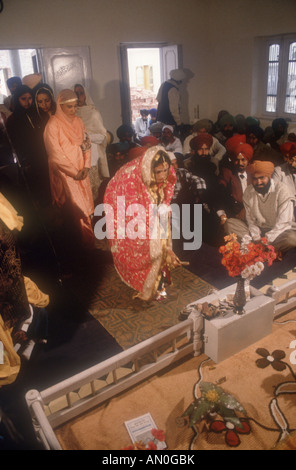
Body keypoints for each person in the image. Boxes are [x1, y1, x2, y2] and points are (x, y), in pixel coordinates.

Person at [104, 145, 180, 301]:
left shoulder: (167, 177)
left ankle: (160, 284)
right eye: (158, 172)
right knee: (152, 247)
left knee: (162, 244)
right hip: (130, 215)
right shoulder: (131, 183)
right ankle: (149, 287)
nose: (163, 175)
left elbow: (163, 206)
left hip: (152, 213)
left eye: (165, 170)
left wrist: (168, 247)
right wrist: (163, 247)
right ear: (150, 170)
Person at [43, 89, 95, 258]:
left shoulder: (79, 122)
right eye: (69, 107)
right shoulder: (53, 125)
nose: (73, 110)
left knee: (86, 210)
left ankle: (87, 247)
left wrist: (86, 166)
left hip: (82, 172)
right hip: (65, 174)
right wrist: (73, 172)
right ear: (60, 106)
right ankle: (76, 250)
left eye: (75, 107)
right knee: (74, 211)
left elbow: (87, 144)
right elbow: (55, 154)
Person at [227, 160, 296, 256]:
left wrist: (265, 241)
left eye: (261, 178)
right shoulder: (248, 192)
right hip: (259, 231)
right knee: (230, 223)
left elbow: (283, 223)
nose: (258, 182)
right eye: (254, 179)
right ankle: (267, 251)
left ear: (269, 176)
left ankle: (256, 251)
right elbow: (251, 221)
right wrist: (256, 238)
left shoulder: (282, 190)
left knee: (292, 239)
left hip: (281, 232)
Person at [6, 84, 51, 208]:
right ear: (17, 99)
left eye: (30, 98)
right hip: (28, 161)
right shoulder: (12, 120)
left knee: (48, 186)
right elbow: (14, 144)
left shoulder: (39, 113)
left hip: (44, 156)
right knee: (34, 191)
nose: (27, 102)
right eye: (23, 99)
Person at [74, 83, 109, 203]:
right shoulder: (71, 113)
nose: (79, 97)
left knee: (95, 192)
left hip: (93, 157)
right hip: (76, 158)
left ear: (86, 95)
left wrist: (85, 136)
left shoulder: (94, 113)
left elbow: (103, 137)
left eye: (81, 93)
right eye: (76, 94)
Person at [218, 143, 253, 231]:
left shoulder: (253, 173)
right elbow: (220, 195)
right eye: (237, 160)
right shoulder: (228, 174)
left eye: (243, 160)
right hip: (235, 215)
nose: (240, 163)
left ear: (248, 160)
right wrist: (222, 215)